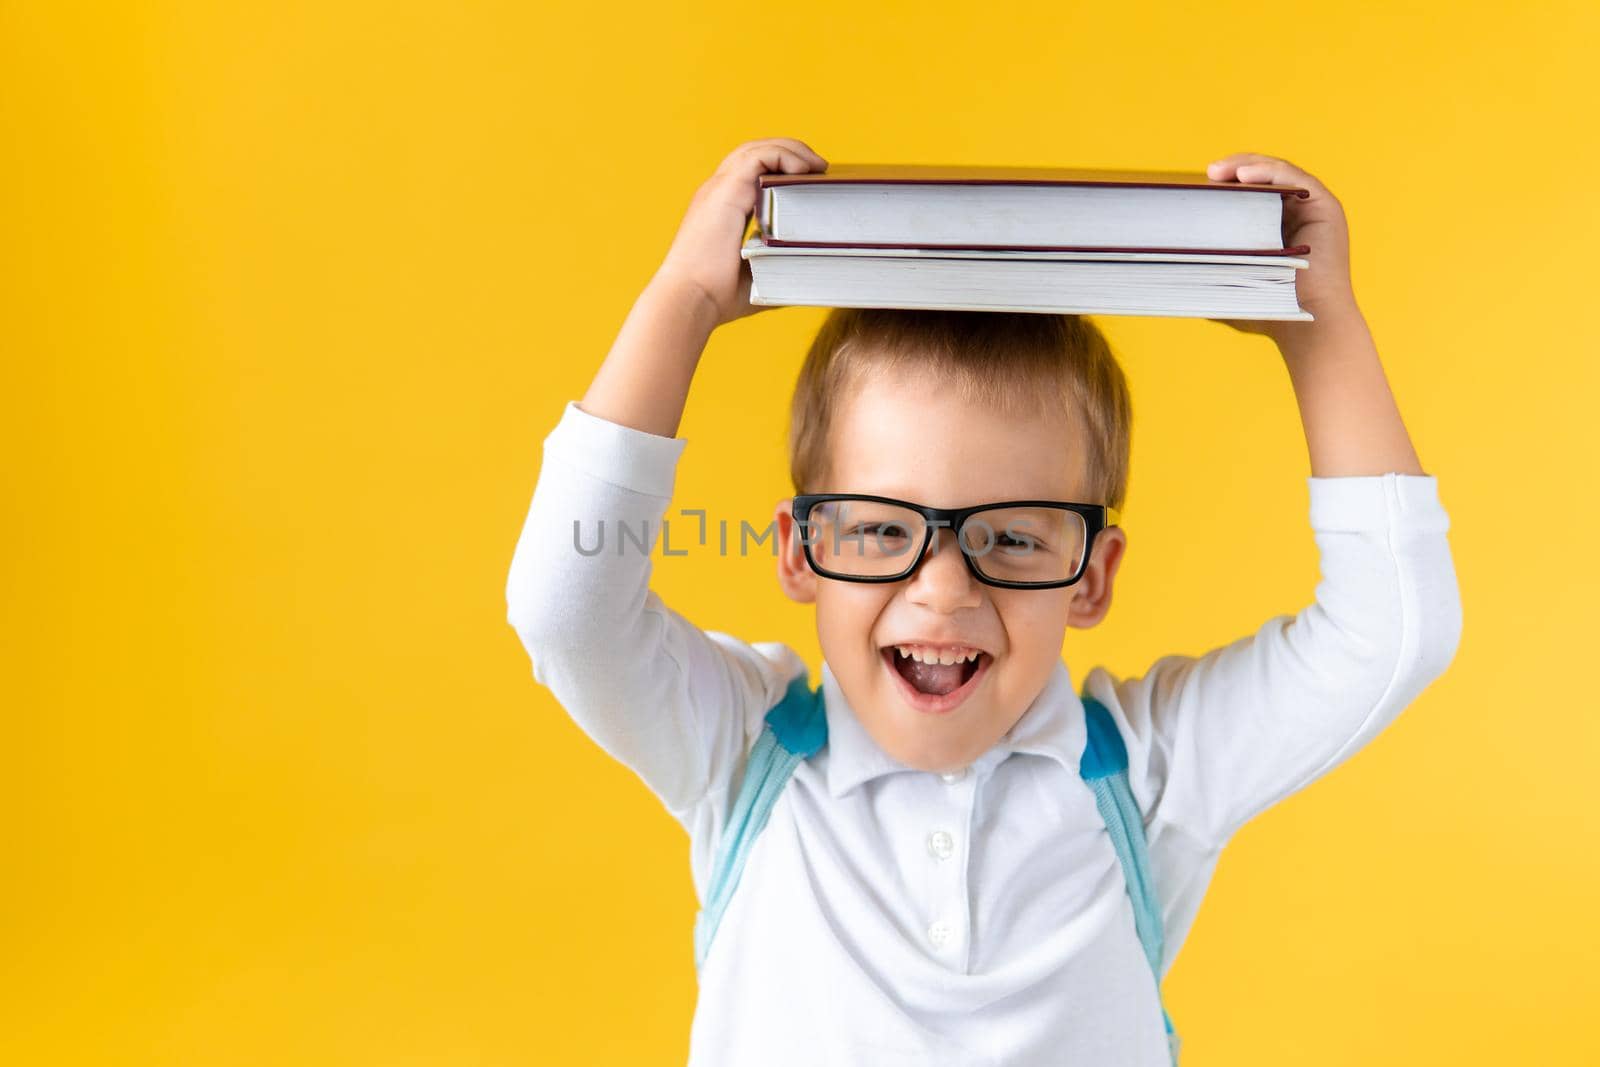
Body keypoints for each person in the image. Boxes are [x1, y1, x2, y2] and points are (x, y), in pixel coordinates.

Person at [504, 138, 1463, 1065]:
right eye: (881, 529)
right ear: (799, 550)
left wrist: (1321, 327)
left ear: (1092, 575)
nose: (944, 586)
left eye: (1011, 536)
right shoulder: (743, 756)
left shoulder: (1151, 779)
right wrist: (684, 300)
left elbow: (1392, 633)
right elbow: (565, 609)